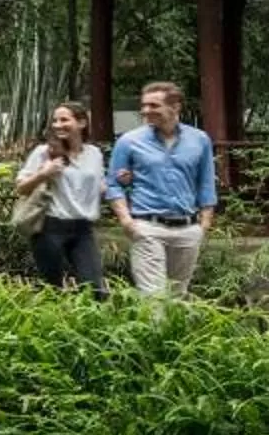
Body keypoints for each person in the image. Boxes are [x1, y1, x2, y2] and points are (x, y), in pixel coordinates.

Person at [107, 80, 217, 299]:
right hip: (148, 226)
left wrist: (204, 224)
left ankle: (173, 335)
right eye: (144, 105)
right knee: (153, 297)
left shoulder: (199, 140)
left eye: (153, 105)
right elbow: (113, 184)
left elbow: (206, 183)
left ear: (175, 106)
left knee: (177, 297)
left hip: (187, 227)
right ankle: (153, 334)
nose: (145, 111)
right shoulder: (129, 141)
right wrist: (126, 221)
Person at [14, 102, 106, 297]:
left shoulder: (94, 154)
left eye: (64, 120)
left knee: (95, 288)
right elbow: (21, 188)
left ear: (81, 123)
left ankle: (88, 326)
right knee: (51, 289)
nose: (58, 125)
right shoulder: (44, 152)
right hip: (50, 227)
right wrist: (43, 174)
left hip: (83, 229)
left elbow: (98, 186)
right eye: (55, 120)